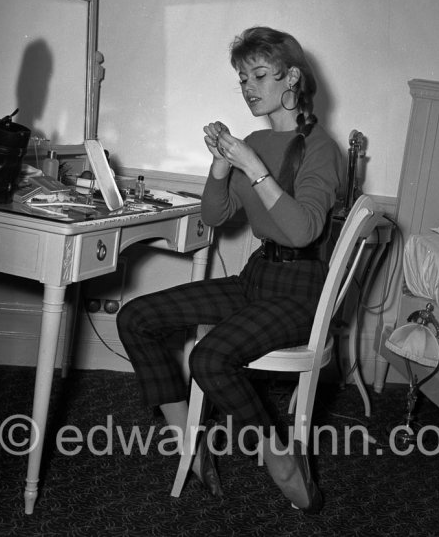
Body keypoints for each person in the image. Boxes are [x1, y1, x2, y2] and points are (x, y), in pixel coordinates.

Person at [116, 26, 342, 514]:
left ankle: (279, 457)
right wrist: (221, 166)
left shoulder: (322, 149)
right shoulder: (257, 139)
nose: (248, 87)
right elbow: (216, 217)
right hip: (258, 277)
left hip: (301, 288)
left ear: (292, 77)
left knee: (209, 359)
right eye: (242, 78)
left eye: (259, 74)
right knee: (135, 317)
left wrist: (252, 165)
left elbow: (303, 231)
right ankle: (188, 443)